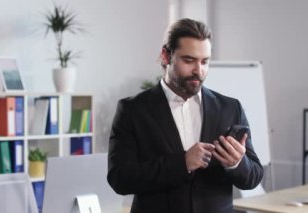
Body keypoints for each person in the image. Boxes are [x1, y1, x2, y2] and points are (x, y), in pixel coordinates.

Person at [107, 18, 264, 213]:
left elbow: (254, 176)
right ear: (166, 56)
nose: (199, 70)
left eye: (205, 61)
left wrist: (237, 163)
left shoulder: (231, 108)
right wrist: (181, 164)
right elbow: (119, 179)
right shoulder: (133, 110)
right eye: (189, 60)